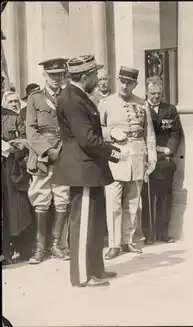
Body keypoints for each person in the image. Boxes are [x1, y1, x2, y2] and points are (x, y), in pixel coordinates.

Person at [51, 54, 124, 287]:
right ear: (84, 77)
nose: (97, 78)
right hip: (82, 168)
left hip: (89, 168)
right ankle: (83, 276)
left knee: (94, 222)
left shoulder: (79, 95)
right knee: (83, 223)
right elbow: (87, 139)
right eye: (94, 75)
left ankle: (96, 269)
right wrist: (114, 152)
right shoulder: (72, 99)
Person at [98, 66, 156, 260]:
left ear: (135, 84)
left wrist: (152, 155)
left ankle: (127, 241)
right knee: (113, 201)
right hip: (115, 155)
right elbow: (97, 129)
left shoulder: (142, 104)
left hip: (137, 155)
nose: (124, 85)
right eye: (122, 81)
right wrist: (111, 132)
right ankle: (114, 244)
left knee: (132, 202)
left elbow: (149, 133)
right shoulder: (106, 103)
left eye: (129, 82)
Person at [25, 58, 71, 264]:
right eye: (52, 75)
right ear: (44, 76)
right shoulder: (35, 99)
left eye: (59, 75)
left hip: (64, 155)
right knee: (41, 200)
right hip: (43, 157)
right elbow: (31, 130)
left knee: (62, 198)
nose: (56, 79)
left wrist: (63, 150)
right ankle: (40, 248)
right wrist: (47, 150)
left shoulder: (68, 97)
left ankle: (57, 245)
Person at [141, 76, 182, 245]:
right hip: (147, 161)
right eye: (152, 93)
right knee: (148, 198)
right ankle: (149, 234)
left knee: (165, 198)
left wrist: (168, 150)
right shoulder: (141, 109)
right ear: (146, 92)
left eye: (158, 93)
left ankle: (163, 233)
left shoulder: (170, 109)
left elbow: (176, 132)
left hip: (165, 160)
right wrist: (152, 150)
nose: (156, 97)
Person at [1, 92, 35, 265]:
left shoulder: (14, 118)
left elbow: (27, 140)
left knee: (16, 209)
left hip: (11, 169)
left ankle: (23, 249)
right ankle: (3, 252)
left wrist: (18, 146)